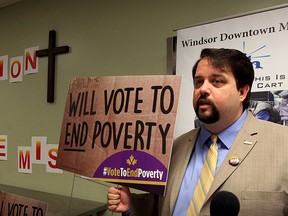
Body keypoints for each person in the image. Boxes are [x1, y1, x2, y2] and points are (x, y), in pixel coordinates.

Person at [107, 48, 288, 216]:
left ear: (242, 91)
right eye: (198, 82)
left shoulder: (283, 145)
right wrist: (131, 205)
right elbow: (159, 205)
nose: (202, 89)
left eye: (217, 81)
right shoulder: (175, 147)